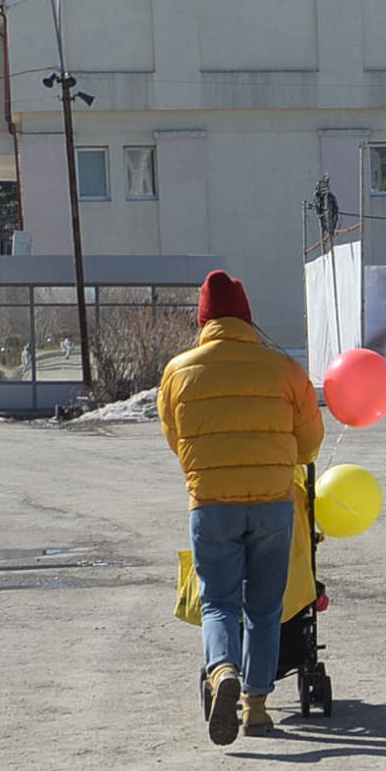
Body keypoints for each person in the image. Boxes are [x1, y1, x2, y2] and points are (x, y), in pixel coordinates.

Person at [158, 270, 321, 745]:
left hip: (211, 505)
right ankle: (255, 707)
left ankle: (222, 668)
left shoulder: (178, 371)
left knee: (219, 604)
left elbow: (175, 438)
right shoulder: (285, 369)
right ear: (248, 317)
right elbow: (309, 444)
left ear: (203, 319)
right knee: (266, 609)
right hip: (273, 505)